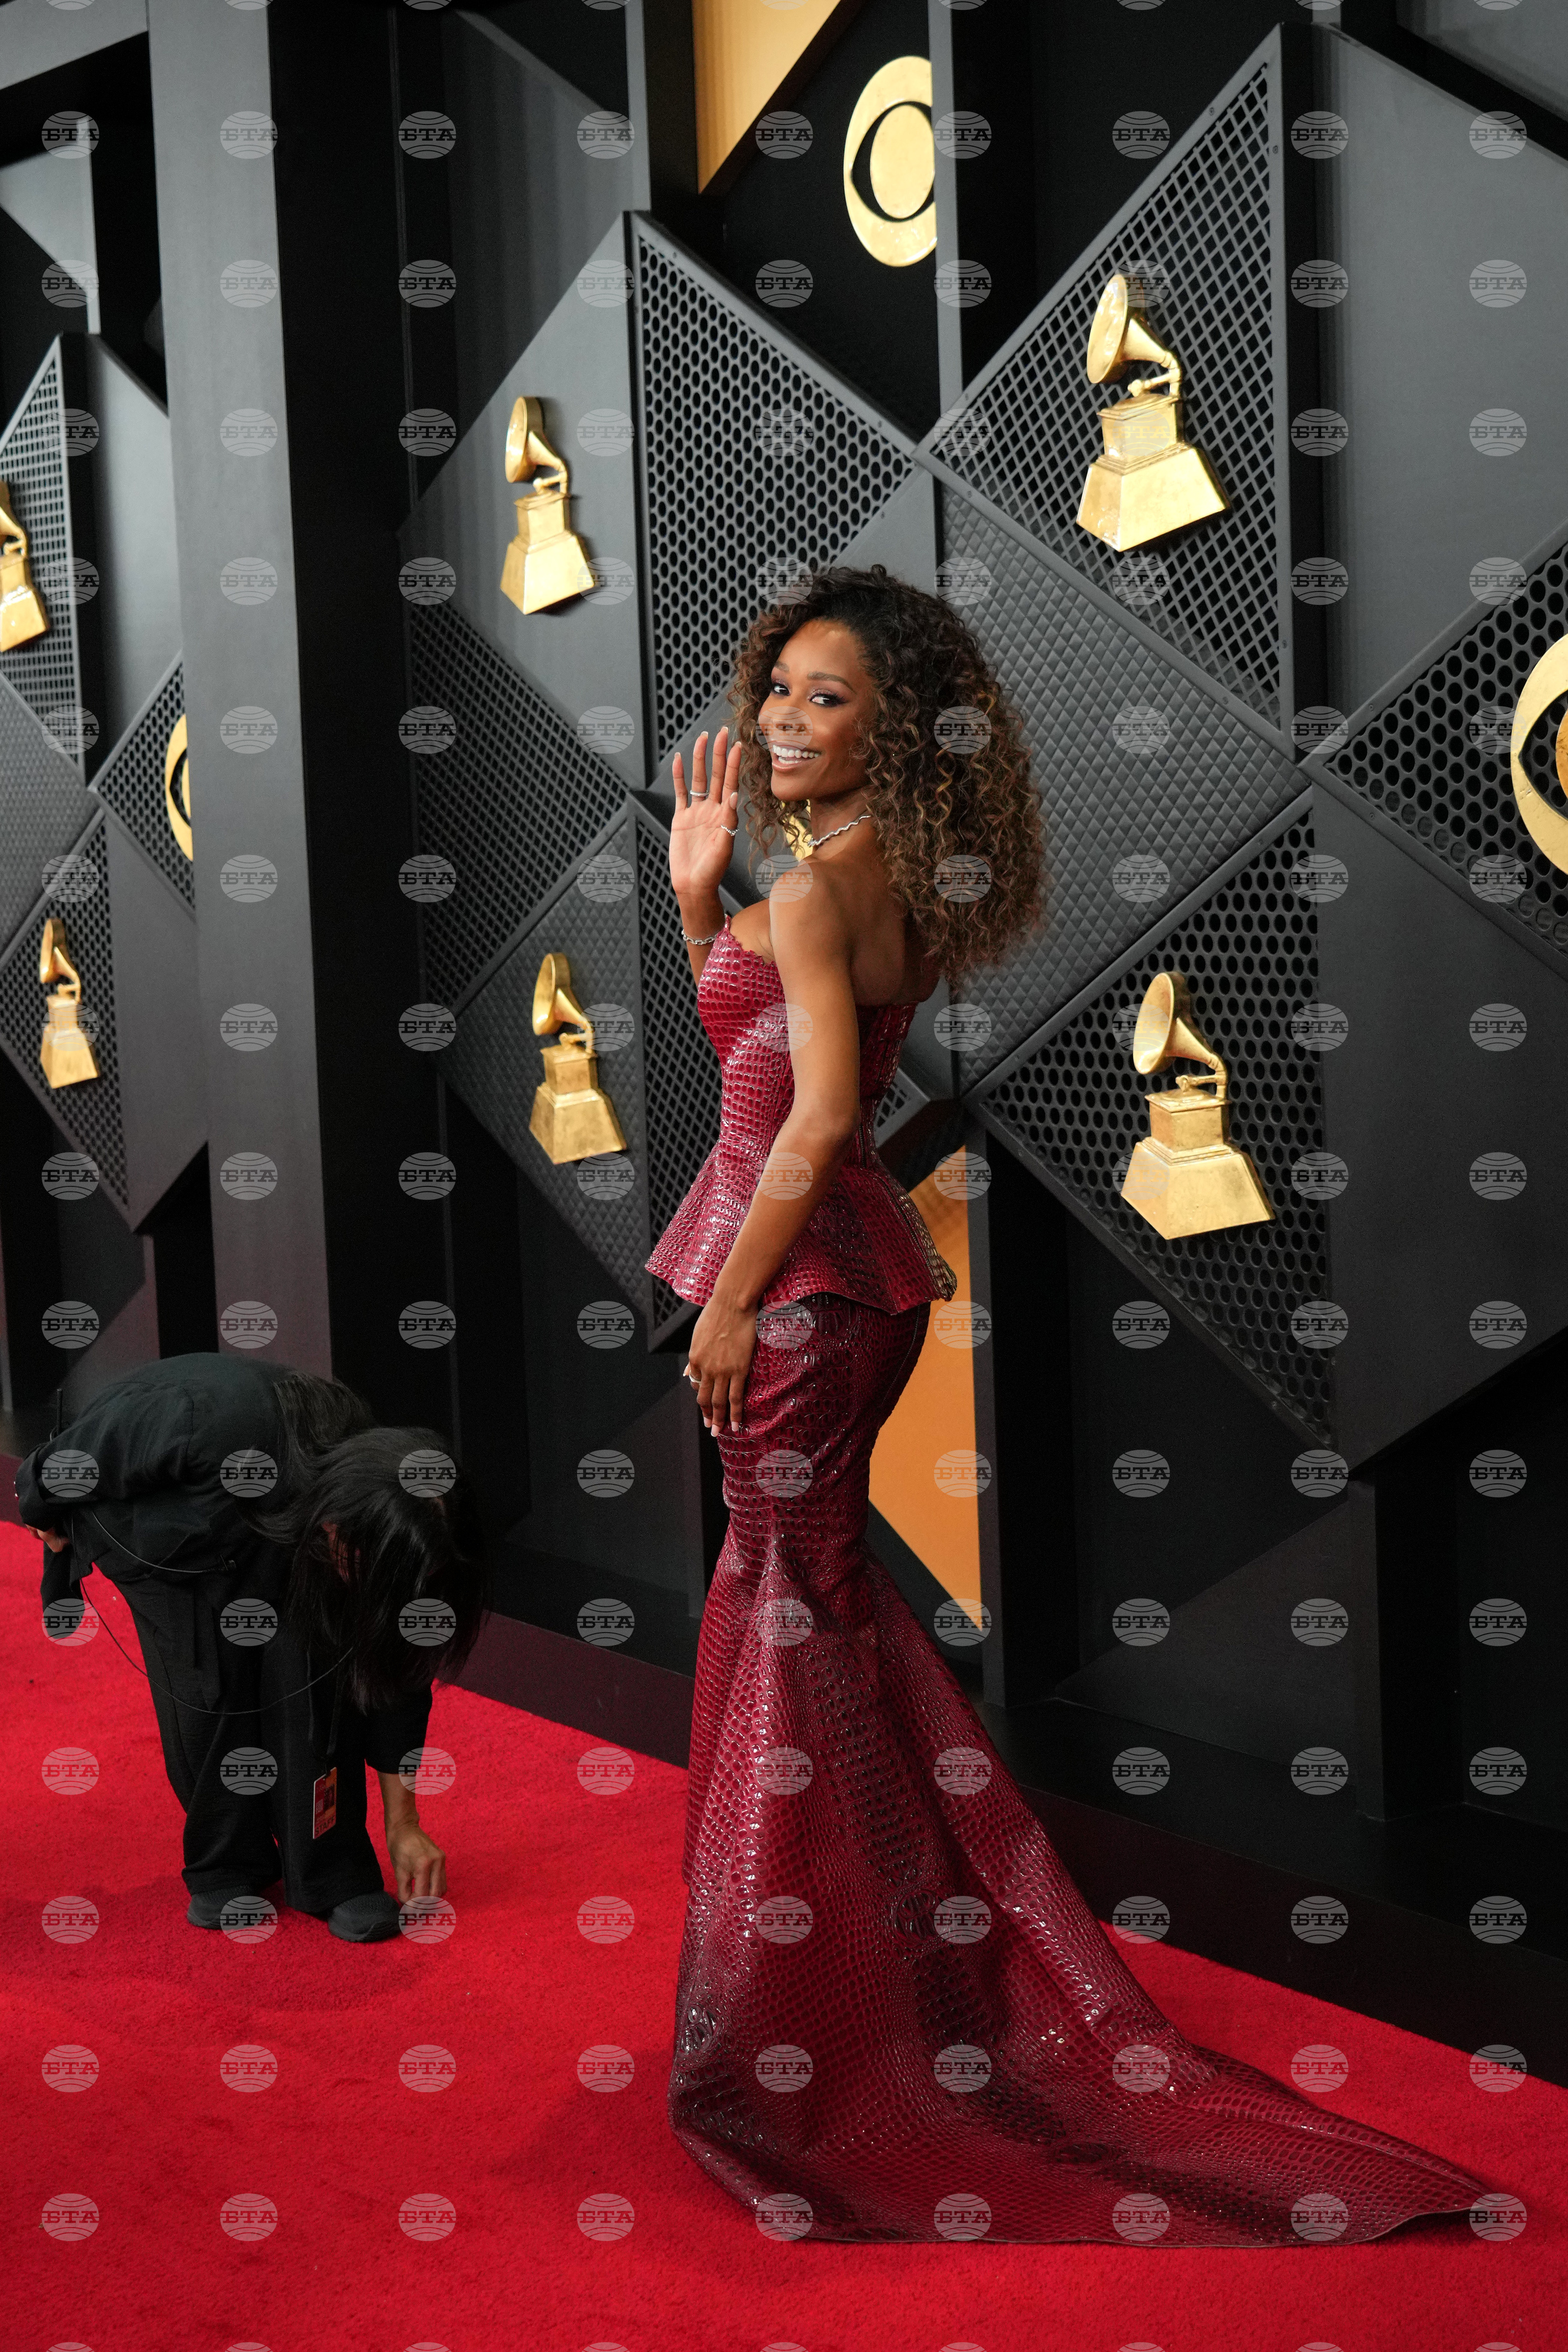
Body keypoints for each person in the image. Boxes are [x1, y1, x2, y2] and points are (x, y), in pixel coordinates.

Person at [644, 563, 1492, 2243]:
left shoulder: (817, 893)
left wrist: (729, 1301)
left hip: (797, 1295)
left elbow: (812, 1122)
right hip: (836, 1286)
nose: (785, 720)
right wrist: (694, 905)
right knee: (813, 1623)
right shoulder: (860, 878)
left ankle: (809, 2024)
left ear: (893, 732)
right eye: (779, 687)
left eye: (829, 698)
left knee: (788, 1622)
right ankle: (886, 1979)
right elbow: (759, 1066)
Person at [15, 1352, 487, 1943]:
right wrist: (43, 1506)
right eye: (364, 1567)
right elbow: (86, 1452)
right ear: (341, 1527)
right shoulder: (211, 1422)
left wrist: (405, 1821)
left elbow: (394, 1672)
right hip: (163, 1538)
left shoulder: (390, 1520)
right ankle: (227, 1864)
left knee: (317, 1676)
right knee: (209, 1687)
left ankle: (331, 1868)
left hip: (278, 1529)